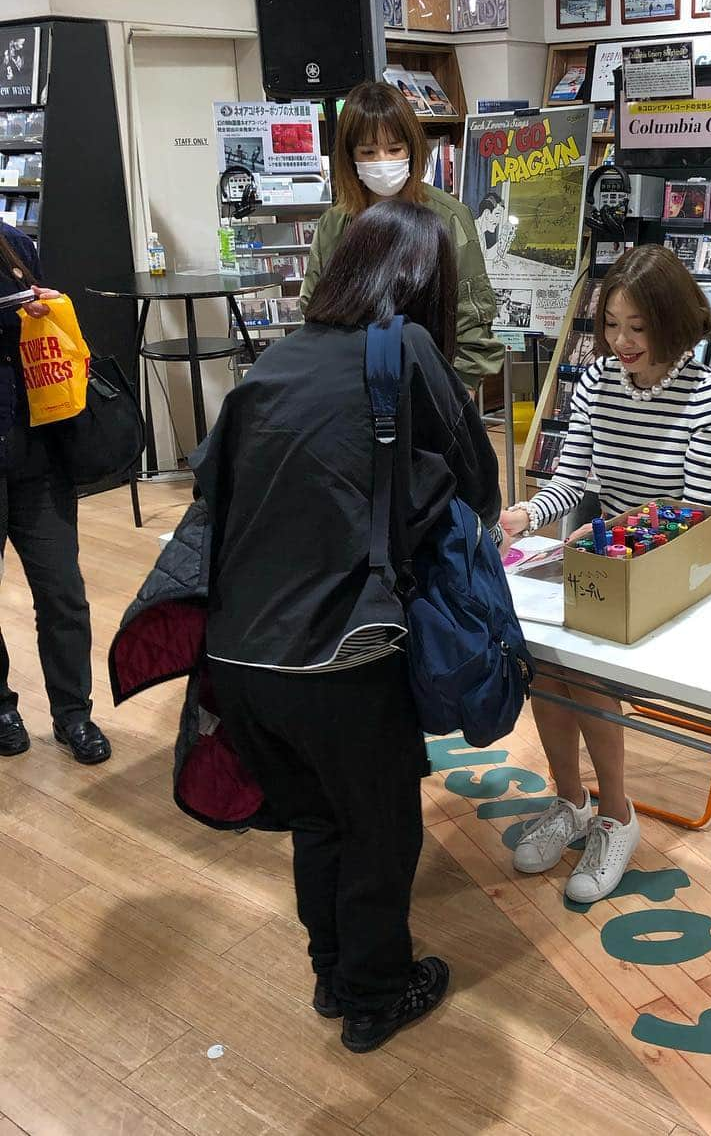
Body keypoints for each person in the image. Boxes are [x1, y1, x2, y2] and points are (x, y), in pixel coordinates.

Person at [193, 201, 501, 1052]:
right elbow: (476, 487)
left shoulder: (275, 361)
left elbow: (214, 495)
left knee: (320, 820)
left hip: (240, 651)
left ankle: (333, 971)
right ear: (422, 281)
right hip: (343, 648)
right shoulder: (406, 351)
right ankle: (375, 995)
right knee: (379, 824)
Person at [498, 245, 711, 902]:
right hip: (610, 558)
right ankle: (571, 801)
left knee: (581, 655)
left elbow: (690, 516)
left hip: (679, 565)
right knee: (544, 653)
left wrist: (612, 535)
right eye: (611, 325)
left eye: (638, 327)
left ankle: (618, 816)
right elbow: (570, 481)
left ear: (673, 320)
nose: (621, 342)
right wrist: (525, 515)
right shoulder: (596, 384)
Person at [299, 81, 502, 391]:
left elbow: (471, 320)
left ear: (412, 148)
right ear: (350, 157)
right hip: (348, 386)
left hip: (428, 383)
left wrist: (456, 398)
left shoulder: (447, 216)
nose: (383, 160)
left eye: (394, 149)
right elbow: (314, 313)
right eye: (368, 151)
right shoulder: (334, 225)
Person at [0, 230, 109, 764]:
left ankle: (74, 715)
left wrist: (48, 308)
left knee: (63, 592)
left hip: (37, 452)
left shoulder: (13, 243)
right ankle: (1, 706)